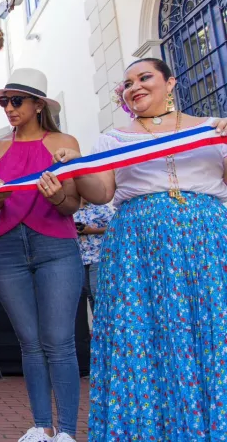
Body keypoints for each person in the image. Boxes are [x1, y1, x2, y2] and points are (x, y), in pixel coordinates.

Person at [55, 58, 227, 441]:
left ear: (171, 82)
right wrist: (76, 168)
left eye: (144, 77)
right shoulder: (113, 140)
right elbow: (101, 192)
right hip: (137, 249)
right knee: (143, 338)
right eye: (127, 84)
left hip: (207, 244)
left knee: (212, 332)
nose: (134, 87)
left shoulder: (211, 128)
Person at [0, 69, 83, 442]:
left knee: (59, 340)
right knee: (30, 341)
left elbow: (72, 203)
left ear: (38, 104)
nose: (8, 107)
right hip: (8, 249)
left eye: (16, 100)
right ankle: (41, 426)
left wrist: (57, 196)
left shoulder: (64, 142)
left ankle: (67, 431)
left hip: (56, 245)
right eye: (4, 101)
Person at [73, 198, 113, 307]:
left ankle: (103, 321)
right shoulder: (71, 209)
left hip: (98, 256)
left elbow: (114, 226)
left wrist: (91, 230)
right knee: (89, 295)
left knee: (97, 292)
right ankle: (95, 322)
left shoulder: (100, 208)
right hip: (80, 259)